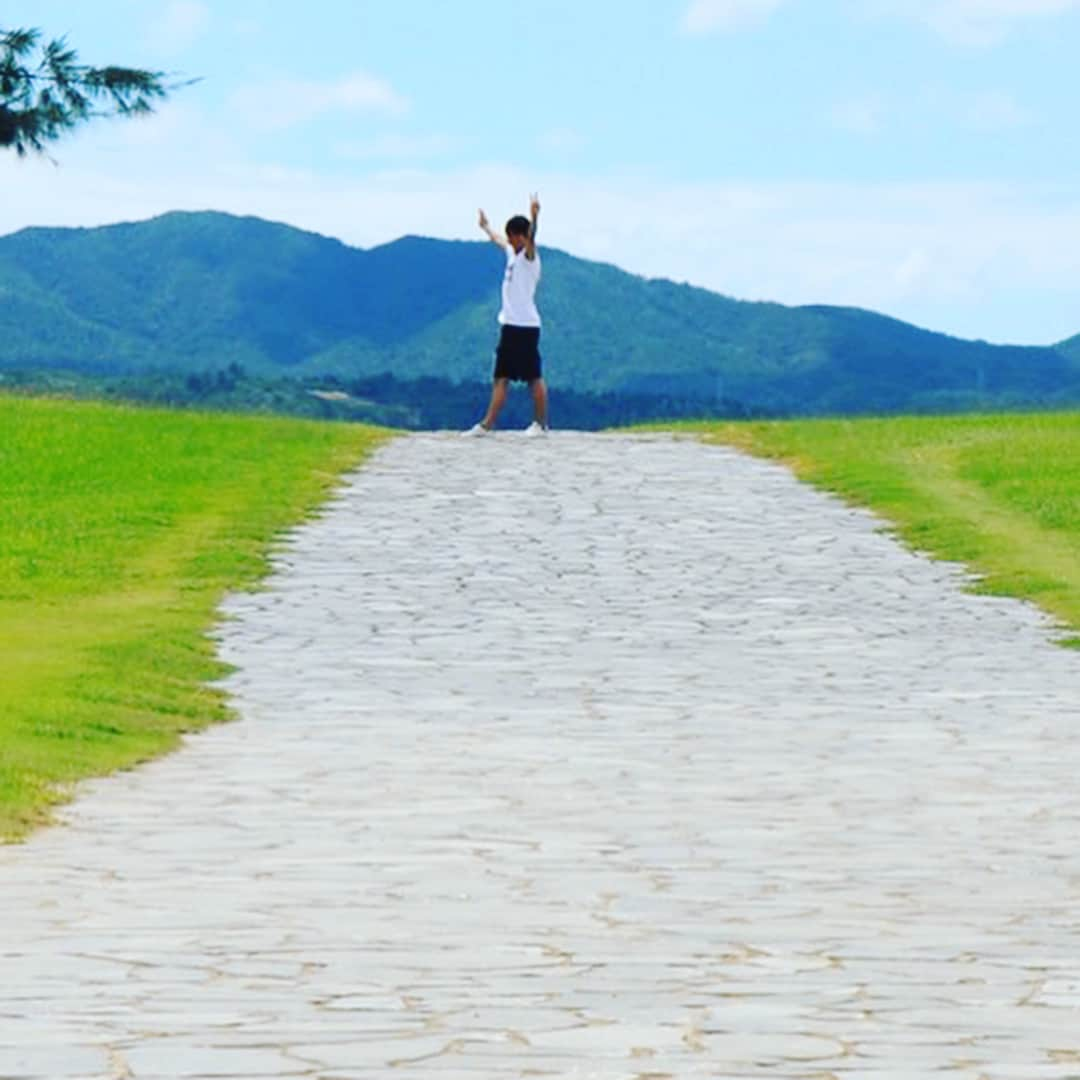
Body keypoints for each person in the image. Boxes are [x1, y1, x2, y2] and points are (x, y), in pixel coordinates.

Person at [462, 193, 548, 437]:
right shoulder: (512, 253)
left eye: (513, 236)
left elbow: (533, 237)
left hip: (527, 326)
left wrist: (534, 216)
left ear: (521, 236)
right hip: (509, 325)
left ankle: (540, 424)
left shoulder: (530, 258)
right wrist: (486, 227)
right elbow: (499, 241)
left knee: (533, 377)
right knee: (501, 376)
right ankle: (487, 424)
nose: (509, 240)